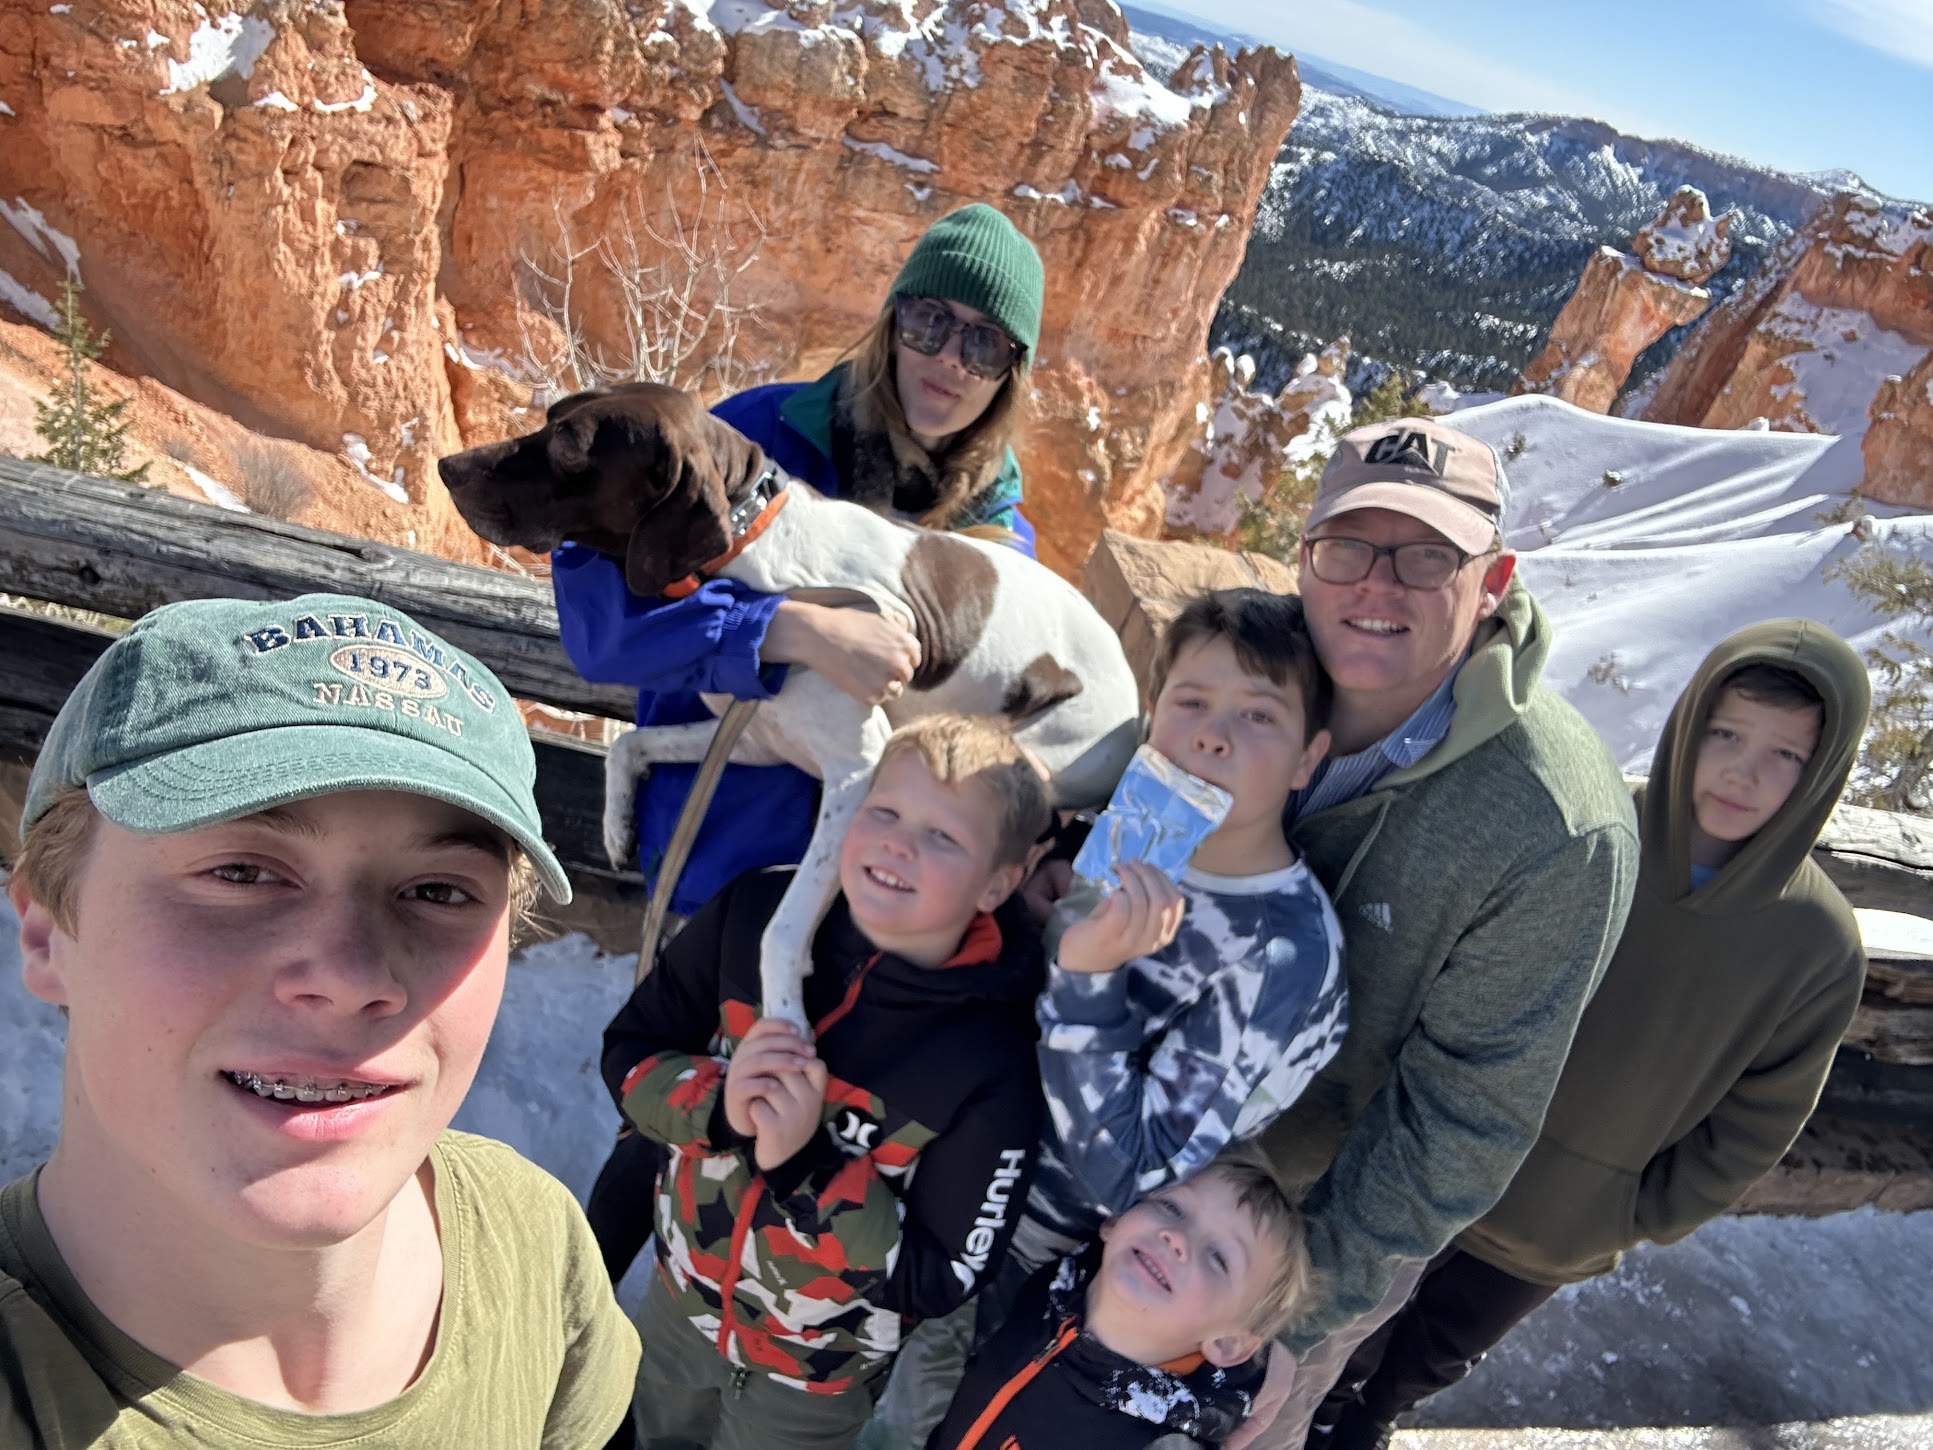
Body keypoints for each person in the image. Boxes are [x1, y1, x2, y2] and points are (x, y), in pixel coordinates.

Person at [0, 593, 639, 1446]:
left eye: (438, 891)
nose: (352, 978)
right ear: (47, 930)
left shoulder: (529, 1243)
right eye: (240, 872)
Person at [555, 203, 1047, 1276]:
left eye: (983, 343)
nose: (947, 359)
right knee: (663, 1123)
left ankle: (697, 1347)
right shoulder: (754, 440)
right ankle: (571, 1332)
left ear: (1010, 373)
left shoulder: (998, 548)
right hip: (718, 863)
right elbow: (599, 621)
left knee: (770, 1162)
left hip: (864, 916)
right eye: (929, 320)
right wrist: (782, 631)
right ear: (891, 316)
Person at [1313, 620, 1872, 1449]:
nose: (1741, 772)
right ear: (1688, 723)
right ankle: (1318, 1414)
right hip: (1432, 1159)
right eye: (1724, 734)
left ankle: (1370, 1422)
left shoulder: (1815, 946)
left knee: (1432, 1354)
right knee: (1340, 1327)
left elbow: (1760, 1119)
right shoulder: (1589, 829)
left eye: (1784, 754)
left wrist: (1634, 1210)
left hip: (1561, 1224)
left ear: (1823, 769)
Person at [1231, 417, 1641, 1449]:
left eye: (1426, 557)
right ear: (1304, 557)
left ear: (1492, 579)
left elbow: (1456, 1123)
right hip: (1126, 1149)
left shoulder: (1553, 826)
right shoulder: (1237, 669)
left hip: (1302, 1230)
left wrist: (1293, 1310)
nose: (1377, 585)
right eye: (1347, 547)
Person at [601, 713, 1052, 1450]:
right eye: (884, 810)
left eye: (943, 836)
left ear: (998, 882)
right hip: (678, 1312)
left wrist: (807, 1167)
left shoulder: (989, 1060)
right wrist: (720, 1107)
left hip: (814, 1382)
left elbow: (940, 1274)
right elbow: (631, 1050)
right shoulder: (753, 917)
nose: (898, 843)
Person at [1025, 589, 1349, 1258]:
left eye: (1258, 715)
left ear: (1306, 759)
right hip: (932, 1152)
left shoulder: (1280, 954)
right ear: (1151, 715)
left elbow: (1134, 1173)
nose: (1211, 735)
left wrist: (1087, 978)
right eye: (1191, 702)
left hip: (1025, 1243)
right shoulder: (1132, 827)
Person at [929, 1146, 1314, 1450]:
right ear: (1115, 1221)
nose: (1176, 1238)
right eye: (1171, 1207)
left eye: (1219, 1258)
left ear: (1228, 1343)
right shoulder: (1053, 1284)